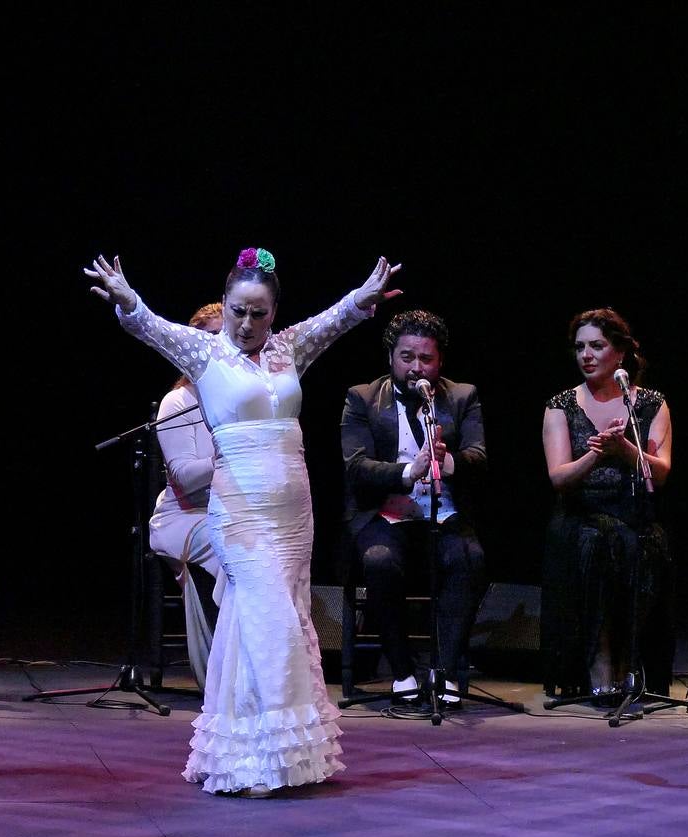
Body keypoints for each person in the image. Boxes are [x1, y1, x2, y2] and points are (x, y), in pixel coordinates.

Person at [85, 247, 401, 798]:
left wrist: (363, 298)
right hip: (242, 509)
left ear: (273, 312)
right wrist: (128, 298)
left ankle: (268, 754)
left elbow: (335, 319)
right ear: (225, 305)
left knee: (279, 616)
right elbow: (149, 326)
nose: (247, 323)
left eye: (258, 313)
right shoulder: (206, 353)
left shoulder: (287, 349)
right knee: (266, 617)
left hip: (293, 507)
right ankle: (264, 758)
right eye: (238, 311)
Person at [340, 309, 487, 705]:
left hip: (443, 512)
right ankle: (403, 670)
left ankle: (443, 670)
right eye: (407, 357)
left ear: (440, 361)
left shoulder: (461, 397)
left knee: (469, 559)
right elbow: (356, 466)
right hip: (384, 515)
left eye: (426, 358)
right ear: (391, 357)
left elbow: (479, 455)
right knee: (379, 561)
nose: (416, 367)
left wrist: (446, 460)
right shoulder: (362, 398)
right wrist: (409, 470)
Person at [541, 308, 673, 705]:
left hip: (633, 512)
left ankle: (632, 662)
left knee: (649, 543)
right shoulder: (560, 405)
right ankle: (600, 662)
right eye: (580, 347)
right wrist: (595, 456)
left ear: (619, 353)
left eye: (597, 346)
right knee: (599, 543)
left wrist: (626, 449)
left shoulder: (651, 404)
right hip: (580, 515)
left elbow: (660, 474)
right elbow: (558, 477)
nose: (586, 354)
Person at [147, 301, 225, 689]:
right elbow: (184, 477)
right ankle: (223, 670)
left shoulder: (239, 400)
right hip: (185, 517)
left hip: (229, 513)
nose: (218, 346)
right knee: (235, 549)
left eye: (224, 338)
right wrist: (233, 452)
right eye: (209, 338)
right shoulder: (177, 402)